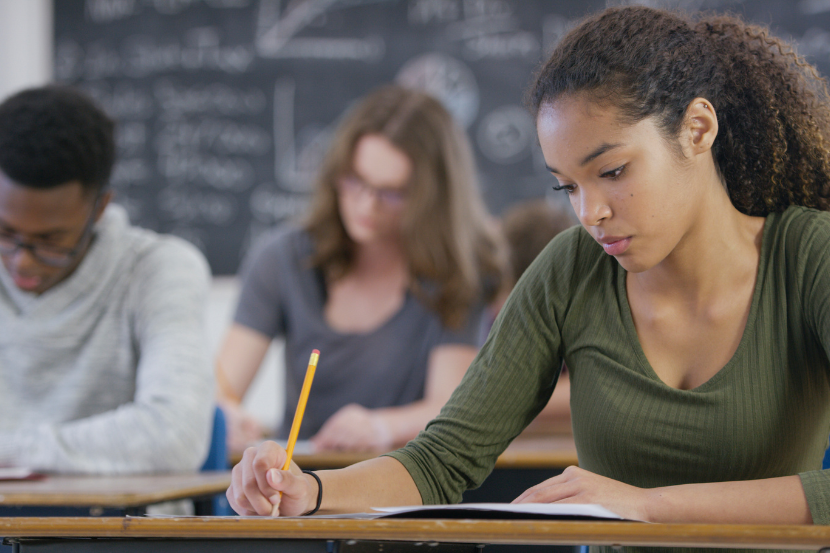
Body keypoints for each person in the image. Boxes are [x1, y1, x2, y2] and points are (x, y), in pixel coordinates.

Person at [227, 4, 830, 541]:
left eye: (613, 171)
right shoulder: (571, 270)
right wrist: (313, 491)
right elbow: (442, 461)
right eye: (567, 185)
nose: (589, 212)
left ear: (697, 129)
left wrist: (648, 506)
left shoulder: (810, 258)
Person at [215, 85, 504, 454]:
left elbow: (449, 408)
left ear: (432, 197)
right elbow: (223, 388)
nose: (367, 205)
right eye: (355, 181)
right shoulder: (282, 258)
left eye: (392, 192)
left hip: (401, 490)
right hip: (295, 485)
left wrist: (382, 427)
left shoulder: (459, 273)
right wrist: (227, 415)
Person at [0, 86, 214, 473]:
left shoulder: (158, 269)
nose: (22, 261)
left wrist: (11, 451)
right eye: (5, 232)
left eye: (50, 240)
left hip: (122, 528)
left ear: (99, 208)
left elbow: (175, 436)